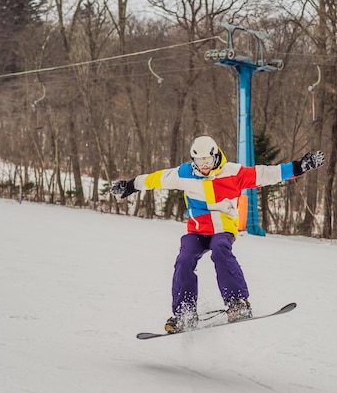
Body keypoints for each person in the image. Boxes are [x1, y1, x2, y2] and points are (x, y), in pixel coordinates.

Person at [110, 136, 325, 333]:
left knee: (220, 249)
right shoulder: (184, 174)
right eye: (199, 161)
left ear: (215, 155)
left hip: (223, 228)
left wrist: (300, 166)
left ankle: (237, 302)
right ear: (193, 160)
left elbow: (268, 173)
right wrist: (130, 186)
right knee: (184, 259)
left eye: (207, 160)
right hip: (197, 230)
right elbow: (156, 179)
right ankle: (185, 312)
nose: (204, 165)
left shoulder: (234, 173)